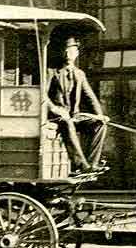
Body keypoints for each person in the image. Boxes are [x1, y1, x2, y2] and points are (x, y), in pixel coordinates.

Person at [46, 36, 109, 175]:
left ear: (77, 53)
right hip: (55, 118)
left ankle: (92, 164)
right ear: (62, 52)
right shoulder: (51, 72)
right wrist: (55, 109)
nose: (69, 54)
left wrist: (100, 115)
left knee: (99, 124)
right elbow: (42, 96)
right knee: (67, 122)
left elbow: (90, 97)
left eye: (72, 50)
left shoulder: (80, 74)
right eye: (66, 50)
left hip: (73, 116)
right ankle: (79, 165)